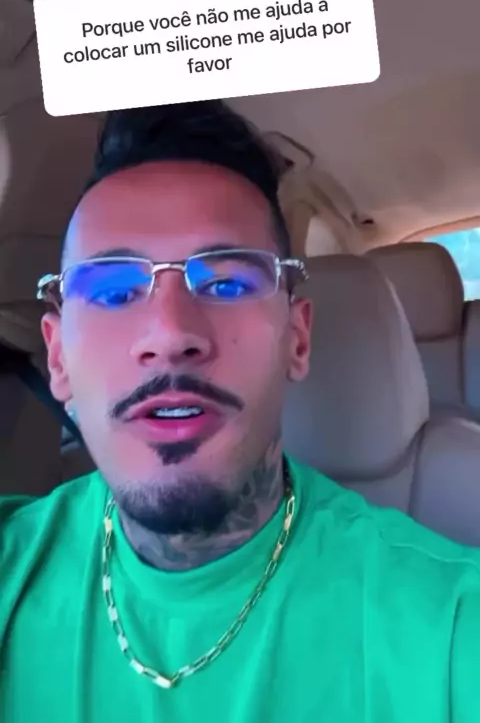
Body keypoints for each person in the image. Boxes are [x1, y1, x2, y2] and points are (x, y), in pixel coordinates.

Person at [0, 100, 479, 722]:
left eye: (226, 284)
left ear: (297, 340)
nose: (170, 333)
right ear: (58, 357)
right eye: (113, 290)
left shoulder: (449, 625)